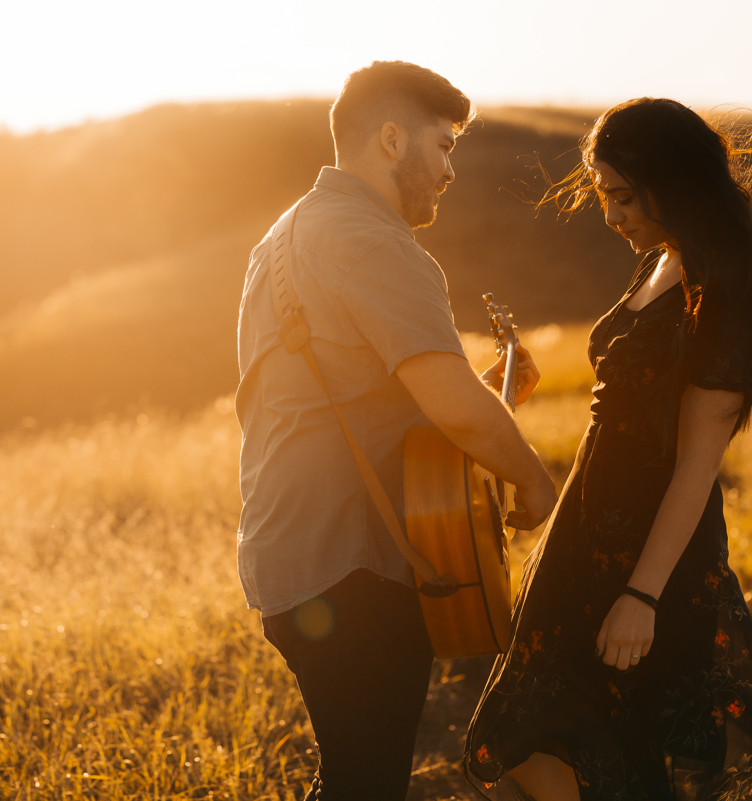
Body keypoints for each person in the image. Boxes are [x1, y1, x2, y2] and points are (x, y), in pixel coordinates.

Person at [463, 98, 752, 800]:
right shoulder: (661, 262)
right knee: (526, 742)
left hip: (648, 559)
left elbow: (696, 467)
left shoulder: (722, 294)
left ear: (674, 183)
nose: (610, 215)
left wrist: (641, 594)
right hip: (582, 541)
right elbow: (623, 412)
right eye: (603, 195)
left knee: (578, 743)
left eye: (623, 196)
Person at [235, 61, 558, 800]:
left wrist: (487, 398)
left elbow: (347, 396)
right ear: (390, 140)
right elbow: (452, 409)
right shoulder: (376, 242)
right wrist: (534, 480)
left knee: (355, 776)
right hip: (356, 565)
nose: (450, 171)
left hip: (290, 556)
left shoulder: (282, 237)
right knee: (365, 783)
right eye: (443, 146)